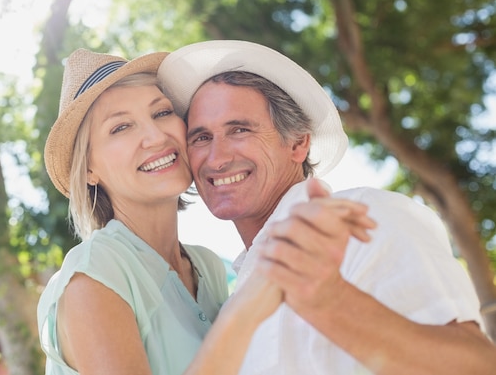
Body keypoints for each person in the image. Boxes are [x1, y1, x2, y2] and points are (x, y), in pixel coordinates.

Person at [158, 39, 496, 375]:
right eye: (201, 138)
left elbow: (478, 366)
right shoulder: (237, 298)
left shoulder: (368, 217)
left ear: (299, 143)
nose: (217, 158)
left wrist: (331, 300)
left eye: (240, 129)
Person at [36, 48, 374, 375]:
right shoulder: (94, 274)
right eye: (120, 127)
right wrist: (250, 308)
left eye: (162, 112)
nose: (155, 136)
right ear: (88, 171)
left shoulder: (208, 269)